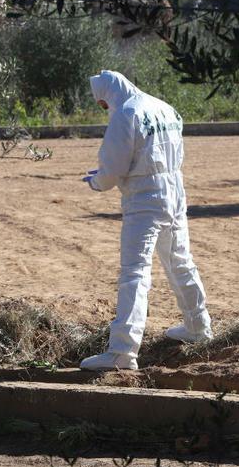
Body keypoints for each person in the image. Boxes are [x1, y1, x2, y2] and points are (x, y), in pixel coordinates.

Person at [80, 70, 213, 371]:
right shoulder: (164, 107)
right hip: (174, 192)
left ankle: (122, 351)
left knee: (135, 272)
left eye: (102, 103)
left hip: (144, 197)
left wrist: (96, 182)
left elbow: (113, 169)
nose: (104, 109)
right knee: (180, 260)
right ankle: (198, 326)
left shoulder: (126, 113)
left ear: (108, 95)